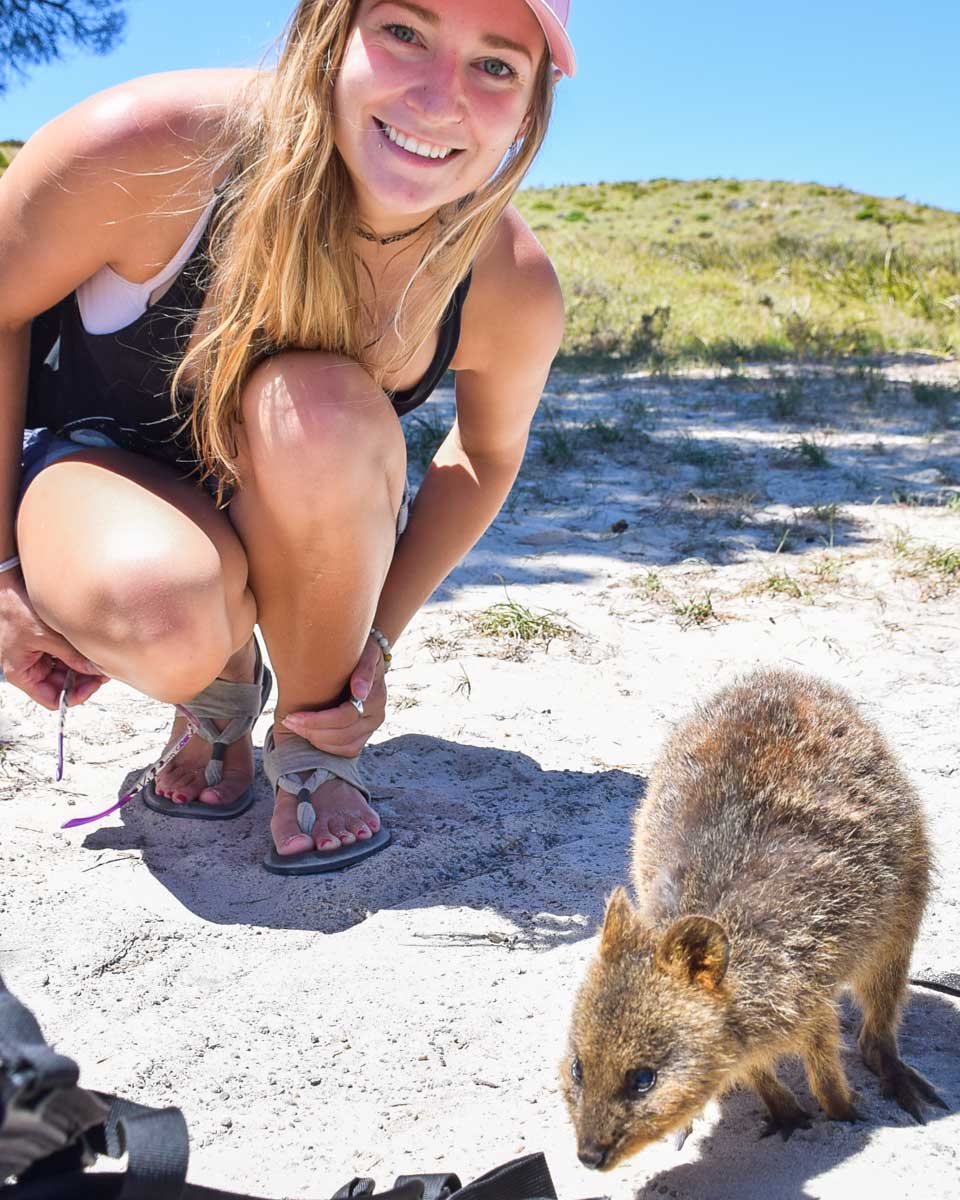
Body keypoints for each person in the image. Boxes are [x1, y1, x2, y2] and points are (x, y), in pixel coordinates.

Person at [0, 0, 575, 872]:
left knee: (320, 411)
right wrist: (0, 570)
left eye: (496, 66)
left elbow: (485, 456)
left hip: (293, 494)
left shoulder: (509, 283)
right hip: (98, 471)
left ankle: (314, 745)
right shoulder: (155, 148)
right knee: (162, 615)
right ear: (330, 31)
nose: (437, 97)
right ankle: (216, 696)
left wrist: (371, 647)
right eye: (405, 34)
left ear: (531, 108)